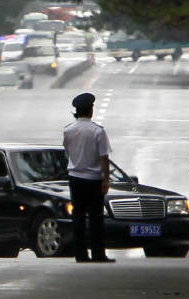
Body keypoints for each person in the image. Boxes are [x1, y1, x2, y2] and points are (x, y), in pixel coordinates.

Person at [63, 92, 115, 263]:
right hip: (93, 179)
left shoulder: (68, 130)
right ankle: (98, 254)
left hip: (75, 178)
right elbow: (104, 157)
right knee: (95, 218)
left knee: (78, 217)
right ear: (90, 110)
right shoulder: (97, 131)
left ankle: (80, 254)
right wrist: (106, 179)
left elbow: (68, 151)